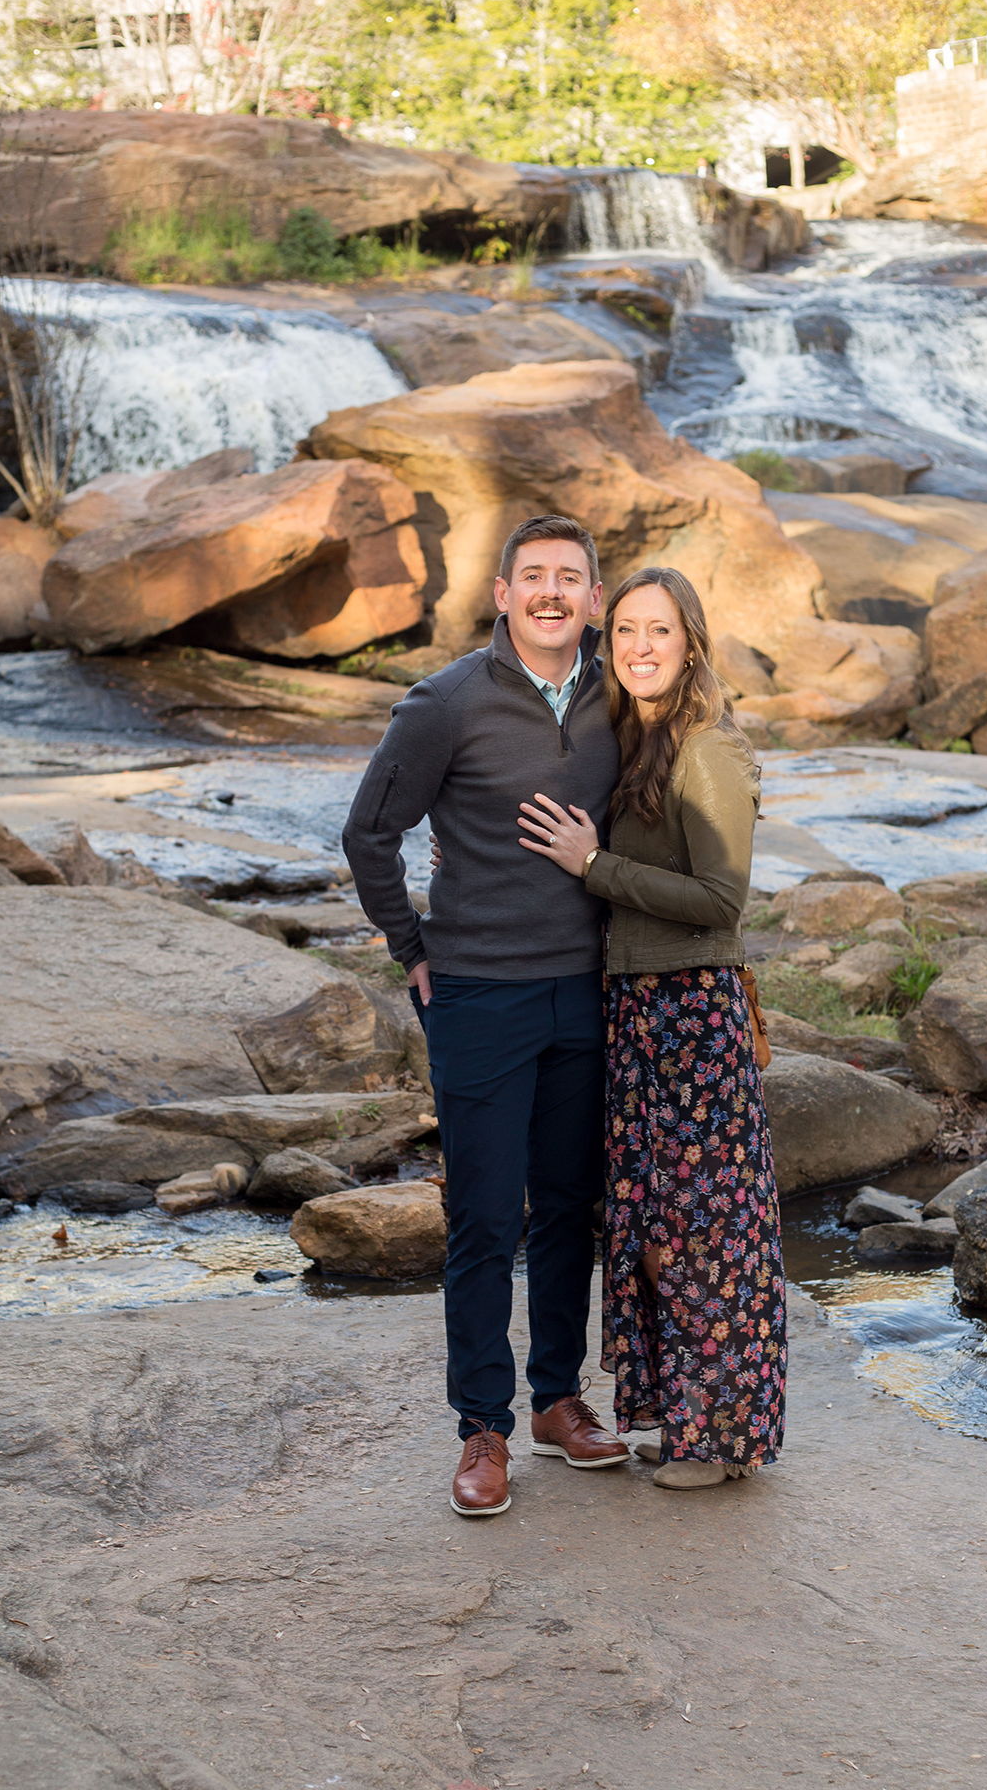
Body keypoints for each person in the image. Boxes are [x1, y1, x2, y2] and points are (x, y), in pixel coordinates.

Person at [342, 514, 631, 1520]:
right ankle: (484, 1428)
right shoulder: (446, 702)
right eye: (534, 577)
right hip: (477, 995)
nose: (553, 593)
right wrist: (411, 949)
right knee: (480, 1218)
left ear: (595, 600)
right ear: (502, 594)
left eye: (572, 578)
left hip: (589, 993)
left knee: (567, 1208)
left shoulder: (621, 695)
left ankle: (558, 1399)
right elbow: (369, 830)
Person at [516, 566, 786, 1490]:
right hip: (638, 1012)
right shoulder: (636, 740)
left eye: (658, 631)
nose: (638, 647)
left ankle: (720, 1441)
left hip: (693, 1018)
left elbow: (721, 899)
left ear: (690, 642)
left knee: (709, 1227)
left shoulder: (705, 748)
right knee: (654, 1226)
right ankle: (683, 1418)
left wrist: (595, 866)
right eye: (624, 629)